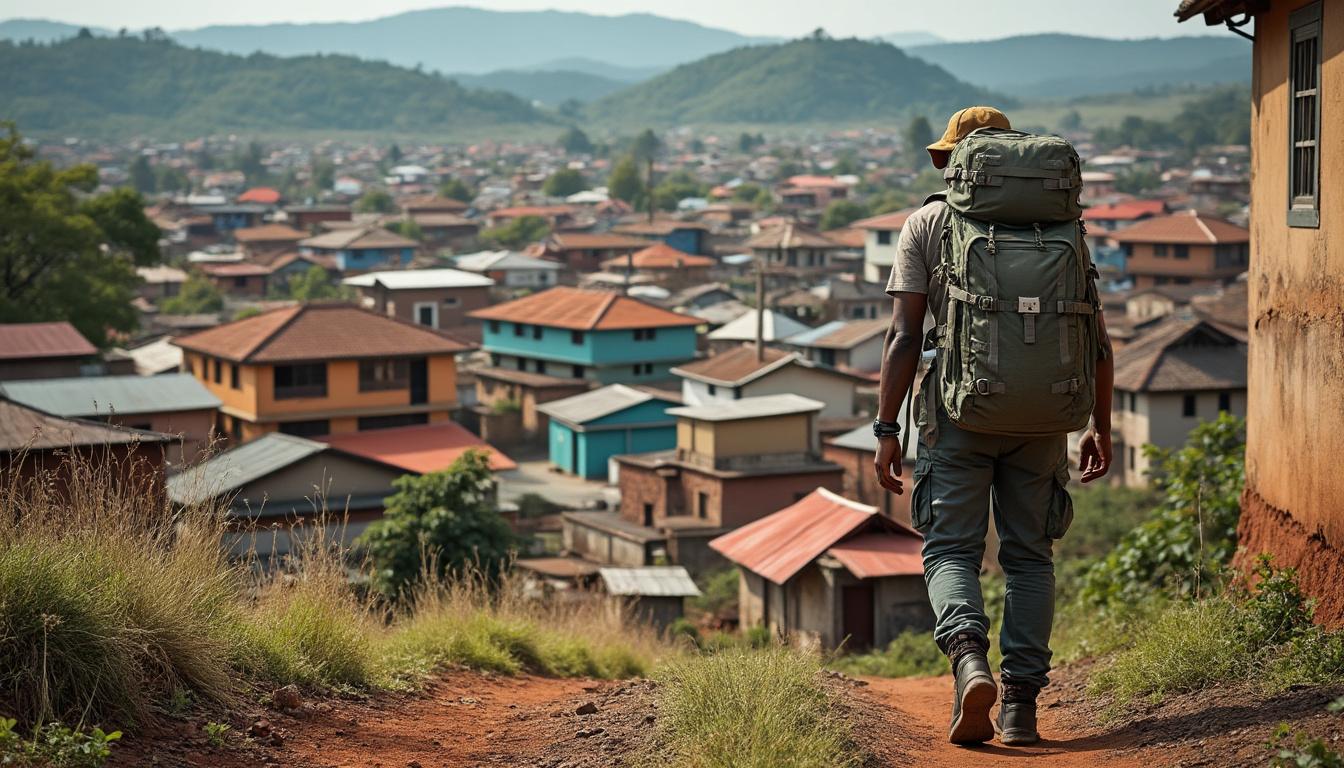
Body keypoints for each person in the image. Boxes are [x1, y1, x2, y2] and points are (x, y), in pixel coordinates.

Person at [873, 106, 1113, 746]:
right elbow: (1094, 338)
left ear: (958, 159)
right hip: (1044, 419)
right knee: (1031, 558)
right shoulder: (1065, 225)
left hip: (959, 418)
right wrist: (1101, 427)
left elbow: (903, 338)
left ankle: (970, 662)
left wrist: (885, 428)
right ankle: (1021, 711)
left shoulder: (926, 223)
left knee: (952, 549)